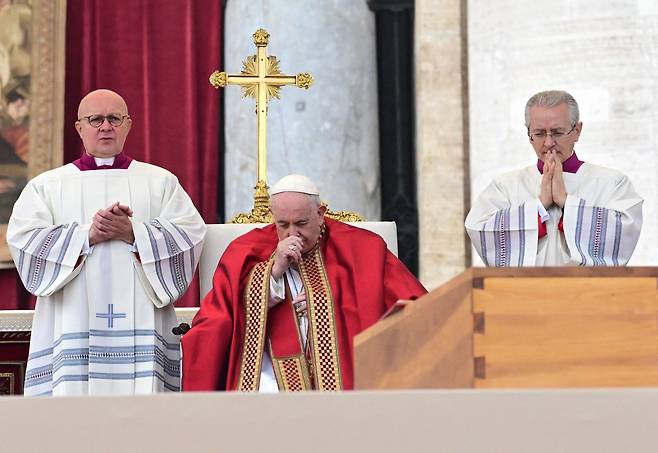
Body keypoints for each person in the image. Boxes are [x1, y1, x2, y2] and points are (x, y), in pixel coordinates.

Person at [7, 89, 206, 396]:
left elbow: (189, 235)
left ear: (128, 124)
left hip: (142, 329)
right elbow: (24, 240)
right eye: (95, 119)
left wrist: (133, 233)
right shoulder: (47, 186)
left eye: (114, 118)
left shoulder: (160, 182)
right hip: (72, 320)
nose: (105, 126)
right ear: (79, 127)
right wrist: (87, 235)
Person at [182, 174, 426, 391]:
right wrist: (272, 272)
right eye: (283, 225)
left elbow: (411, 307)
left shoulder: (363, 248)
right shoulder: (246, 250)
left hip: (345, 372)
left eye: (301, 224)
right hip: (269, 376)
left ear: (320, 214)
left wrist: (324, 307)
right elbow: (221, 314)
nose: (292, 234)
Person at [465, 90, 643, 266]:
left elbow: (624, 230)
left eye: (557, 132)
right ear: (529, 135)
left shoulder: (611, 183)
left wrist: (566, 202)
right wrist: (539, 206)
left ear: (577, 131)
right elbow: (479, 228)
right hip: (526, 291)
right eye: (540, 133)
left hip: (588, 291)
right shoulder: (505, 186)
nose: (549, 143)